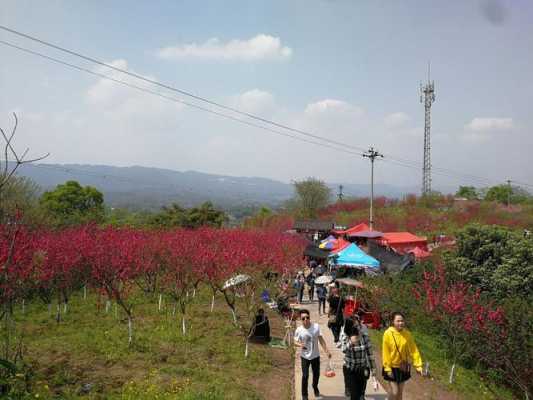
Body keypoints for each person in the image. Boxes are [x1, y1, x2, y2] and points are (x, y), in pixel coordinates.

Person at [382, 312, 423, 400]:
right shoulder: (388, 333)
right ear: (393, 322)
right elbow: (385, 352)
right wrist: (388, 368)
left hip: (402, 367)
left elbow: (414, 350)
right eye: (398, 321)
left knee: (400, 393)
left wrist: (418, 366)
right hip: (391, 367)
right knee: (394, 392)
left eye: (402, 321)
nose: (401, 323)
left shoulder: (407, 334)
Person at [294, 309, 331, 400]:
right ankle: (304, 395)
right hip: (305, 357)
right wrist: (300, 344)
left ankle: (315, 387)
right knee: (305, 376)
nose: (306, 319)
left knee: (316, 375)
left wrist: (327, 351)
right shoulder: (299, 330)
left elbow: (321, 340)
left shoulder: (316, 327)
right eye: (303, 318)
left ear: (309, 318)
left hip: (315, 356)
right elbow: (295, 341)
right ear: (300, 319)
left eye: (307, 317)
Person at [341, 324, 376, 400]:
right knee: (354, 395)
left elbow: (370, 355)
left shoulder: (365, 337)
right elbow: (343, 349)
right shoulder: (346, 336)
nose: (357, 328)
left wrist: (374, 374)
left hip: (362, 370)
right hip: (350, 369)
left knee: (360, 394)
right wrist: (350, 342)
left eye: (358, 326)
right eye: (354, 326)